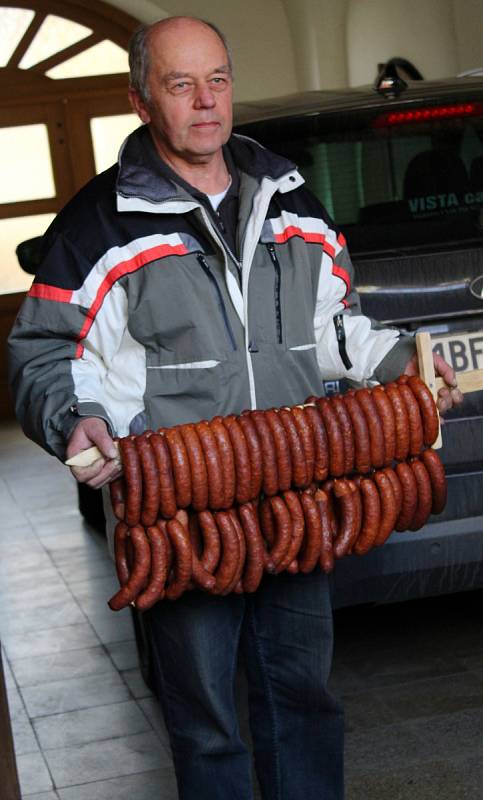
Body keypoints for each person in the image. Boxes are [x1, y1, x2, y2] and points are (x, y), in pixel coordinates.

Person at [8, 16, 463, 800]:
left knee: (303, 697)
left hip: (296, 492)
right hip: (179, 517)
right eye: (180, 84)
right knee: (208, 721)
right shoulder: (96, 224)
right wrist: (72, 420)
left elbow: (332, 329)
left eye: (216, 79)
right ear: (142, 99)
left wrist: (404, 364)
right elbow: (42, 351)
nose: (205, 102)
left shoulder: (291, 199)